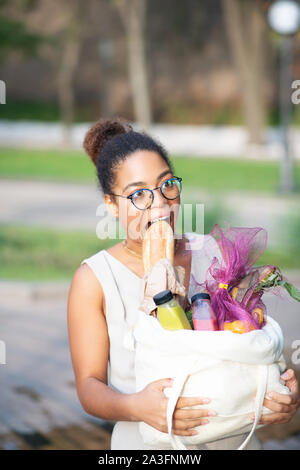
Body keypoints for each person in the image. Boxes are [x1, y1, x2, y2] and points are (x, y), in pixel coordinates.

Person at [67, 118, 300, 450]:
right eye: (138, 195)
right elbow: (89, 387)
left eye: (167, 185)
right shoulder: (93, 280)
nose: (160, 203)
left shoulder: (213, 251)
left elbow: (248, 337)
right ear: (110, 205)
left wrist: (283, 390)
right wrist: (136, 406)